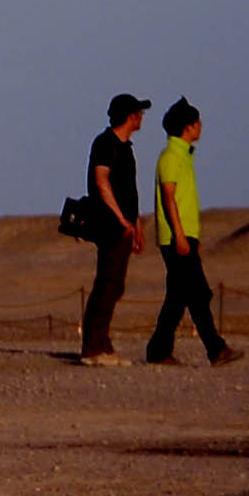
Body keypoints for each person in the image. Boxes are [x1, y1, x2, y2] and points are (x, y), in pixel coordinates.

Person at [143, 99, 235, 366]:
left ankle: (159, 350)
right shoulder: (170, 158)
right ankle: (215, 349)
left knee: (180, 296)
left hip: (186, 237)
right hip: (176, 238)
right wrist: (180, 236)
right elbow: (169, 199)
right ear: (187, 127)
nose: (201, 127)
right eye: (197, 123)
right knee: (197, 294)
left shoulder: (183, 156)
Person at [75, 94, 152, 366]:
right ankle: (93, 347)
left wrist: (137, 223)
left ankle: (102, 343)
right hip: (109, 224)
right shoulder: (106, 143)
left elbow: (129, 191)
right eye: (139, 113)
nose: (142, 118)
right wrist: (120, 218)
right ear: (130, 116)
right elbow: (101, 179)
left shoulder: (125, 147)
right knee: (107, 284)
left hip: (124, 223)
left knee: (115, 284)